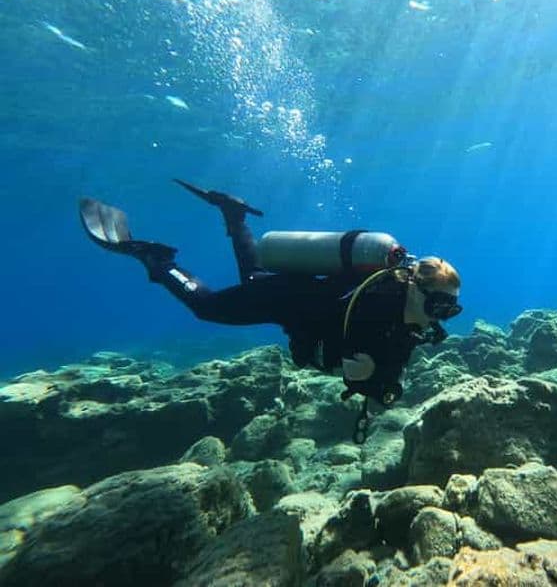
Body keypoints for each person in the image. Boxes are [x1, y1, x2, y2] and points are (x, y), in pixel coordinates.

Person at [79, 180, 462, 442]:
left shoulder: (406, 316)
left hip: (293, 297)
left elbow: (387, 365)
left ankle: (234, 215)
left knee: (253, 276)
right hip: (286, 298)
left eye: (450, 310)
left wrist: (383, 385)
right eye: (440, 305)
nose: (441, 316)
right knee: (206, 306)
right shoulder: (378, 302)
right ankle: (156, 259)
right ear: (416, 288)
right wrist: (365, 378)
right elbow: (349, 351)